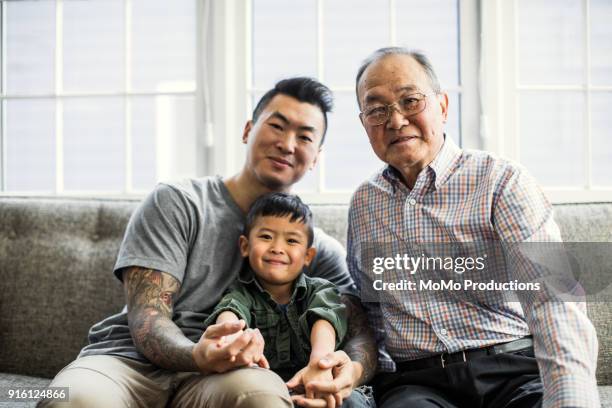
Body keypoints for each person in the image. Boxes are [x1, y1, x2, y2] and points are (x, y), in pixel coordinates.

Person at [41, 77, 376, 408]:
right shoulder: (178, 202)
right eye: (277, 126)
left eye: (304, 137)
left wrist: (353, 370)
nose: (288, 144)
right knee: (73, 400)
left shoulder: (313, 249)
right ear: (248, 130)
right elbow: (148, 317)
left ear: (316, 156)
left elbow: (360, 331)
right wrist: (197, 354)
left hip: (227, 377)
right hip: (129, 362)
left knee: (263, 399)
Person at [347, 47, 599, 407]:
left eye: (410, 100)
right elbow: (370, 312)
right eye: (377, 109)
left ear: (443, 106)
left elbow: (552, 300)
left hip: (513, 369)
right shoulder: (364, 204)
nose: (396, 120)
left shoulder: (502, 181)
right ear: (364, 124)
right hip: (417, 385)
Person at [205, 192, 365, 406]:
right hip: (269, 389)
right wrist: (230, 337)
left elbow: (324, 320)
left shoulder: (320, 290)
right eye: (266, 237)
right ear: (245, 246)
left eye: (291, 240)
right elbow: (230, 315)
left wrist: (320, 364)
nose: (277, 248)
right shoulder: (240, 293)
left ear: (308, 256)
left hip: (321, 377)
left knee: (349, 401)